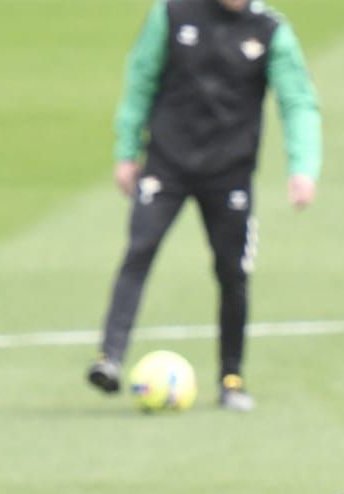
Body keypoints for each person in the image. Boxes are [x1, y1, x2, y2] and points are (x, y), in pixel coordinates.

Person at [87, 0, 322, 410]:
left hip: (229, 173)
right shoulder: (173, 13)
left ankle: (232, 378)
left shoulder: (269, 30)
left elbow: (297, 100)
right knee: (139, 250)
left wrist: (303, 167)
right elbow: (141, 77)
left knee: (232, 273)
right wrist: (127, 151)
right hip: (167, 163)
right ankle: (110, 357)